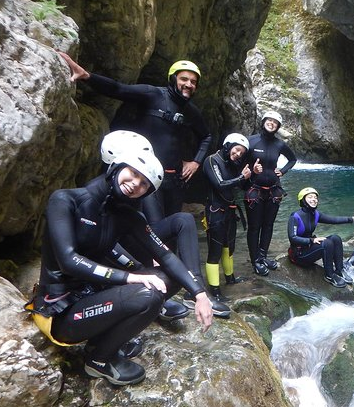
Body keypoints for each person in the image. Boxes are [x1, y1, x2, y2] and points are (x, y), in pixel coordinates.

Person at [25, 146, 213, 386]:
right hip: (60, 313)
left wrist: (199, 293)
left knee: (171, 277)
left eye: (144, 183)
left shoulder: (128, 216)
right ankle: (98, 361)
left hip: (94, 296)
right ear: (116, 167)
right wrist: (131, 278)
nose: (135, 183)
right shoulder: (65, 200)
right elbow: (69, 261)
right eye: (133, 173)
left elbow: (166, 257)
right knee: (149, 294)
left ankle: (104, 338)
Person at [58, 52, 212, 222]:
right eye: (184, 79)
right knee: (154, 228)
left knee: (172, 231)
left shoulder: (192, 112)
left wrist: (195, 162)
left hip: (175, 181)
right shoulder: (153, 95)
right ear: (173, 78)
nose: (189, 84)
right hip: (147, 179)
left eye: (193, 82)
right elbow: (118, 89)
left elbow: (206, 136)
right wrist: (87, 76)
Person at [100, 131, 230, 319]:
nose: (138, 179)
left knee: (183, 220)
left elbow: (149, 227)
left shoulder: (137, 188)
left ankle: (194, 289)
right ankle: (150, 297)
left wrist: (157, 254)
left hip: (135, 240)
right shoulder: (99, 193)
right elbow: (101, 242)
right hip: (113, 254)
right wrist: (141, 267)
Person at [245, 111, 298, 276]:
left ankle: (262, 256)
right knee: (254, 227)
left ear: (278, 126)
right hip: (254, 189)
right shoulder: (251, 141)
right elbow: (239, 160)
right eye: (269, 120)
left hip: (274, 190)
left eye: (275, 122)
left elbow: (292, 159)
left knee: (268, 225)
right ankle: (255, 260)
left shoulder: (279, 145)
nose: (272, 123)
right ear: (263, 122)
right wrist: (251, 171)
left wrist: (283, 171)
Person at [202, 133, 252, 299]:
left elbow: (243, 185)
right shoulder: (212, 160)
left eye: (241, 153)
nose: (238, 154)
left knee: (228, 247)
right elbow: (220, 184)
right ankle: (215, 291)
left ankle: (230, 279)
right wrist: (240, 177)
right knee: (215, 251)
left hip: (229, 211)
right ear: (228, 145)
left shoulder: (232, 164)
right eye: (237, 150)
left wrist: (251, 176)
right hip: (215, 211)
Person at [287, 187, 354, 287]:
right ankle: (329, 275)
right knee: (326, 243)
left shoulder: (315, 214)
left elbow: (333, 219)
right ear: (303, 200)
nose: (314, 199)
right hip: (298, 254)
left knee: (335, 238)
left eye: (315, 197)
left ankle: (339, 270)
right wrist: (312, 240)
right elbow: (292, 238)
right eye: (310, 197)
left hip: (309, 249)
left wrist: (352, 219)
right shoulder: (295, 216)